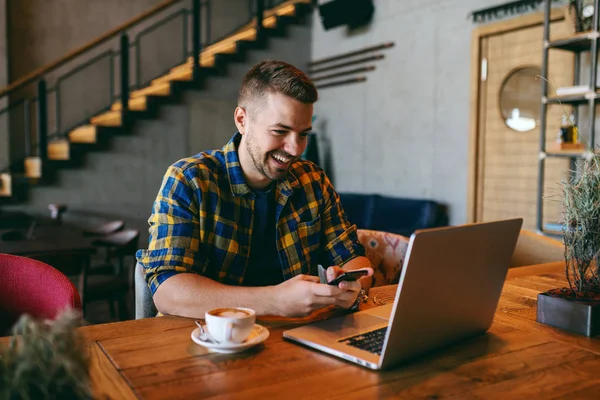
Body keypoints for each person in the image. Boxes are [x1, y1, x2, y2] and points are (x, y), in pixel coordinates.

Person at [136, 60, 373, 318]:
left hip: (293, 341)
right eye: (280, 131)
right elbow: (168, 293)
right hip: (201, 342)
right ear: (242, 120)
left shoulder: (313, 181)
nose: (295, 149)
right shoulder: (189, 181)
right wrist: (274, 301)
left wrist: (353, 286)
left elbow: (354, 259)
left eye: (303, 134)